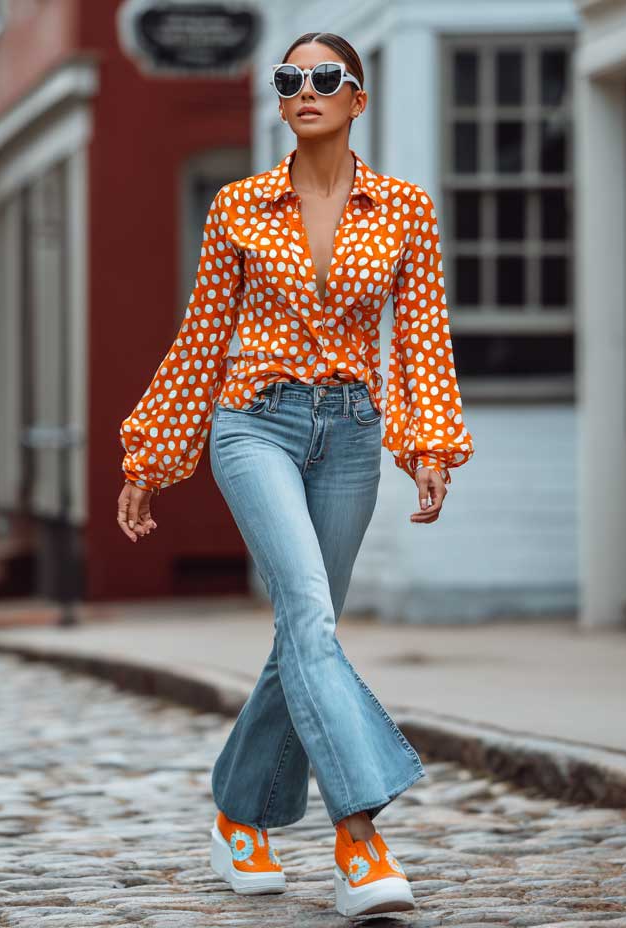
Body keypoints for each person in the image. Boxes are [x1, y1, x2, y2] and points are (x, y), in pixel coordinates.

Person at [116, 30, 475, 919]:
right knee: (310, 614)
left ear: (358, 99)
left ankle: (240, 817)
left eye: (326, 78)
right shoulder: (239, 205)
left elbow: (422, 339)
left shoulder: (404, 209)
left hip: (351, 432)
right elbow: (201, 342)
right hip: (256, 428)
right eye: (289, 79)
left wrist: (427, 445)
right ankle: (360, 838)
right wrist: (154, 456)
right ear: (279, 101)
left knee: (302, 635)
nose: (305, 89)